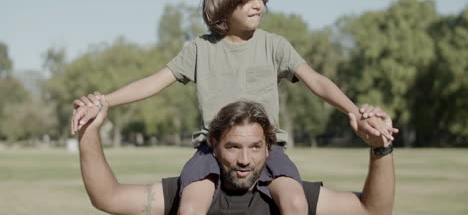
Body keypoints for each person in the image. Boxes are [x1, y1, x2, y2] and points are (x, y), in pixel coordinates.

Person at [72, 0, 397, 215]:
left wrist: (356, 111)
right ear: (223, 2)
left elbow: (317, 82)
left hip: (268, 148)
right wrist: (105, 102)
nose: (258, 6)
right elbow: (154, 82)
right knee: (190, 205)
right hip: (210, 151)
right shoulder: (200, 49)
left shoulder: (275, 45)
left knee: (295, 202)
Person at [78, 98, 395, 215]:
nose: (245, 159)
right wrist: (89, 132)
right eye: (233, 147)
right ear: (214, 145)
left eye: (255, 147)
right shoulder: (188, 191)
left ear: (269, 149)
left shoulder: (287, 196)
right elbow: (108, 197)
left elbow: (374, 210)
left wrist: (380, 149)